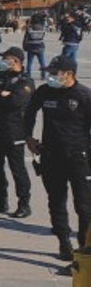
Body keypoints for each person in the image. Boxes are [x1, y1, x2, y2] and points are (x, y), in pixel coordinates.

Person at [24, 56, 91, 265]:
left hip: (79, 158)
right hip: (51, 156)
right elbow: (29, 113)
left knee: (84, 206)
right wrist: (29, 137)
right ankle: (64, 242)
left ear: (69, 74)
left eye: (56, 73)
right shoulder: (44, 92)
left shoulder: (84, 95)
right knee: (56, 201)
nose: (51, 76)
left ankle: (84, 247)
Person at [0, 48, 33, 218]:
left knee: (18, 169)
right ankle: (1, 200)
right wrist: (1, 94)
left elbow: (15, 101)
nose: (2, 62)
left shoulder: (25, 81)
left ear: (16, 61)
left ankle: (24, 203)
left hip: (14, 130)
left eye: (6, 59)